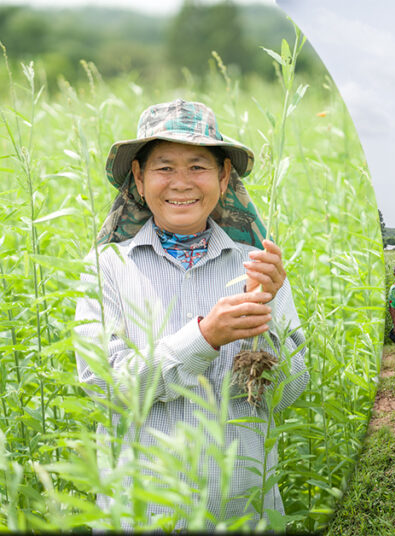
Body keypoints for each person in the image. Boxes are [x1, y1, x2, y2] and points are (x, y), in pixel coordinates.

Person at [75, 99, 307, 526]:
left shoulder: (258, 267)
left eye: (198, 167)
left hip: (242, 515)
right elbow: (104, 387)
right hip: (142, 515)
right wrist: (204, 339)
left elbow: (288, 394)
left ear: (223, 177)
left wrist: (267, 319)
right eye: (164, 167)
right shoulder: (106, 268)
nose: (181, 183)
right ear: (139, 179)